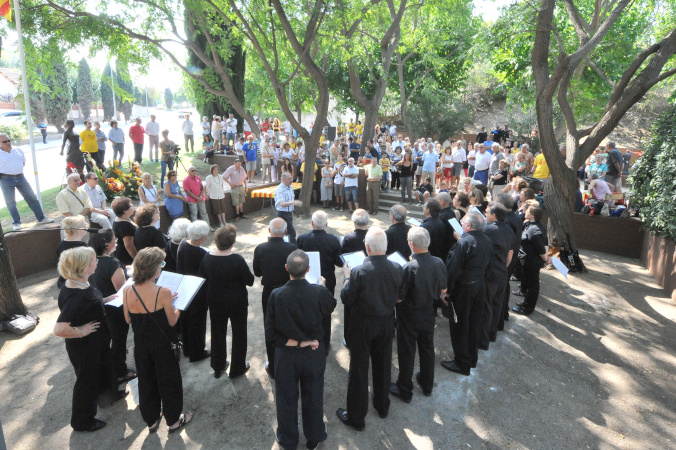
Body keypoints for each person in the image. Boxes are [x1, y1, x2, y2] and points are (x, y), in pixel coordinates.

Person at [265, 250, 336, 449]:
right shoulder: (318, 291)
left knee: (285, 397)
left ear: (286, 269)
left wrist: (297, 343)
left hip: (286, 356)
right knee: (313, 394)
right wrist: (323, 287)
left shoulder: (276, 295)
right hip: (314, 353)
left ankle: (288, 440)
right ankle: (314, 437)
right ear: (308, 269)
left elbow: (271, 336)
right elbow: (330, 307)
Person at [336, 227, 404, 431]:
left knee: (359, 368)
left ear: (366, 247)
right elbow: (400, 295)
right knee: (383, 364)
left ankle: (356, 417)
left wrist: (347, 277)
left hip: (362, 324)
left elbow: (347, 298)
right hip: (386, 321)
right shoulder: (397, 267)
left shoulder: (358, 271)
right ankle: (382, 406)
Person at [123, 247, 193, 433]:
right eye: (161, 264)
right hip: (162, 345)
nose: (162, 267)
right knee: (169, 381)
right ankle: (173, 421)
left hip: (141, 344)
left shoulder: (128, 290)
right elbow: (172, 321)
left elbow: (128, 319)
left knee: (146, 381)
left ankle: (152, 420)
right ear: (153, 269)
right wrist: (178, 306)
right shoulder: (163, 292)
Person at [54, 246, 121, 432]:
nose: (97, 262)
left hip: (97, 343)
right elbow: (59, 329)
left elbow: (91, 301)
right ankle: (82, 421)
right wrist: (82, 331)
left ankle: (108, 396)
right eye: (93, 261)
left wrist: (105, 300)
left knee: (103, 370)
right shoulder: (77, 296)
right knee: (87, 382)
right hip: (85, 348)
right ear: (83, 266)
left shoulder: (80, 282)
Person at [390, 227, 446, 403]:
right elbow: (443, 289)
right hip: (429, 312)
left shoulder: (409, 267)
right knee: (427, 348)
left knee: (407, 351)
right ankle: (427, 384)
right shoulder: (439, 263)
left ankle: (404, 388)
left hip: (409, 315)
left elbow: (399, 298)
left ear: (411, 244)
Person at [199, 224, 254, 378]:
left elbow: (202, 277)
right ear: (232, 242)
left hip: (215, 300)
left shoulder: (207, 257)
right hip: (237, 302)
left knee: (217, 332)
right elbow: (249, 281)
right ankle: (237, 368)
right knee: (239, 333)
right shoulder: (237, 259)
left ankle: (218, 366)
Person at [441, 212, 492, 376]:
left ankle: (462, 363)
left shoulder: (464, 243)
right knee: (474, 322)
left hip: (465, 289)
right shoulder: (487, 240)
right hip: (480, 285)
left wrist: (445, 291)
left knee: (460, 324)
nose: (461, 224)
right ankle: (471, 358)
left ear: (469, 226)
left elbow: (453, 269)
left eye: (463, 222)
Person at [88, 230, 135, 384]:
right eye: (115, 240)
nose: (117, 242)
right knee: (119, 339)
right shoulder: (112, 264)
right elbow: (122, 289)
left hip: (101, 306)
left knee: (111, 338)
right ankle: (121, 371)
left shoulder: (91, 261)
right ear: (107, 245)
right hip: (115, 309)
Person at [253, 218, 298, 377]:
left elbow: (257, 273)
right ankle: (290, 363)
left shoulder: (260, 248)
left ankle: (273, 366)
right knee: (290, 325)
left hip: (270, 293)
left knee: (270, 328)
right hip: (289, 292)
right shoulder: (292, 248)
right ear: (285, 232)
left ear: (268, 230)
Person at [297, 210, 344, 351]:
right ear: (327, 224)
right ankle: (325, 343)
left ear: (312, 223)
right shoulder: (333, 240)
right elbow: (340, 263)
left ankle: (308, 340)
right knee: (326, 311)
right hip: (327, 280)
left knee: (306, 310)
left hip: (306, 280)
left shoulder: (302, 239)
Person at [0, 133, 54, 231]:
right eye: (5, 141)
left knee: (31, 197)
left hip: (20, 177)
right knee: (11, 203)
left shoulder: (18, 150)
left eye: (9, 140)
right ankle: (16, 223)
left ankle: (41, 218)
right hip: (5, 179)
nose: (8, 143)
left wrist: (16, 170)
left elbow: (23, 162)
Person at [479, 203, 514, 350]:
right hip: (502, 272)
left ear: (493, 215)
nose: (485, 215)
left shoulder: (488, 230)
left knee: (487, 306)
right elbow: (510, 254)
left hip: (491, 273)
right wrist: (503, 267)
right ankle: (492, 333)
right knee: (497, 304)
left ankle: (483, 339)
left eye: (486, 213)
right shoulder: (509, 230)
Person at [175, 220, 211, 362]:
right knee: (197, 323)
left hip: (183, 289)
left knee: (185, 320)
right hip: (197, 292)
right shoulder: (201, 253)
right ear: (202, 238)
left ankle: (188, 349)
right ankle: (197, 353)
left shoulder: (183, 243)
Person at [512, 207, 549, 316]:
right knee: (527, 283)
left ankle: (527, 308)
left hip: (532, 262)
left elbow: (541, 249)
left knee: (532, 286)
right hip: (526, 260)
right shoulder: (529, 224)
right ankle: (525, 303)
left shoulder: (534, 230)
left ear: (533, 215)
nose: (525, 212)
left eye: (527, 211)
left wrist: (546, 260)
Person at [56, 215, 89, 288]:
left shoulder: (61, 244)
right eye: (84, 225)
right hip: (77, 282)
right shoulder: (82, 246)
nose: (87, 227)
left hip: (64, 280)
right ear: (77, 230)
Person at [275, 172, 303, 244]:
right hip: (282, 214)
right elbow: (282, 204)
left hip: (289, 213)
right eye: (289, 179)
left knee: (286, 233)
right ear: (283, 180)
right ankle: (294, 249)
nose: (291, 180)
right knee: (291, 233)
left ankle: (286, 247)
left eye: (291, 178)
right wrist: (293, 202)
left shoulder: (290, 187)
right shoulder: (279, 189)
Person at [111, 197, 137, 266]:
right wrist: (137, 259)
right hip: (127, 256)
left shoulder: (119, 219)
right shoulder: (125, 225)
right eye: (131, 206)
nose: (133, 207)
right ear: (125, 211)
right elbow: (129, 245)